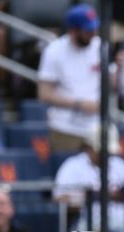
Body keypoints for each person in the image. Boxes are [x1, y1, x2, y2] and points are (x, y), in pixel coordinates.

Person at [52, 123, 124, 232]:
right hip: (86, 221)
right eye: (101, 152)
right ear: (88, 147)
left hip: (122, 223)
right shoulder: (72, 165)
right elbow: (58, 198)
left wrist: (116, 195)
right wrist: (89, 196)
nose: (105, 155)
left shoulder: (119, 164)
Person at [37, 4, 101, 152]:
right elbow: (44, 94)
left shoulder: (99, 46)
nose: (93, 33)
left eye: (94, 29)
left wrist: (120, 67)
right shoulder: (54, 50)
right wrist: (79, 104)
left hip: (96, 126)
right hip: (65, 127)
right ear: (73, 30)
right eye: (88, 30)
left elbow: (112, 84)